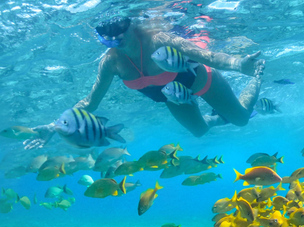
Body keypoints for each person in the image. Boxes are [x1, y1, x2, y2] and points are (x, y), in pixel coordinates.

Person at [24, 16, 265, 149]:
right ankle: (217, 117)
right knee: (200, 130)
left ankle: (257, 77)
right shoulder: (111, 63)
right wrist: (52, 126)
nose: (114, 34)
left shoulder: (159, 40)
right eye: (105, 30)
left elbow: (207, 56)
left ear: (131, 24)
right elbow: (90, 102)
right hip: (174, 98)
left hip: (200, 81)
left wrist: (238, 64)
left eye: (118, 26)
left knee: (242, 120)